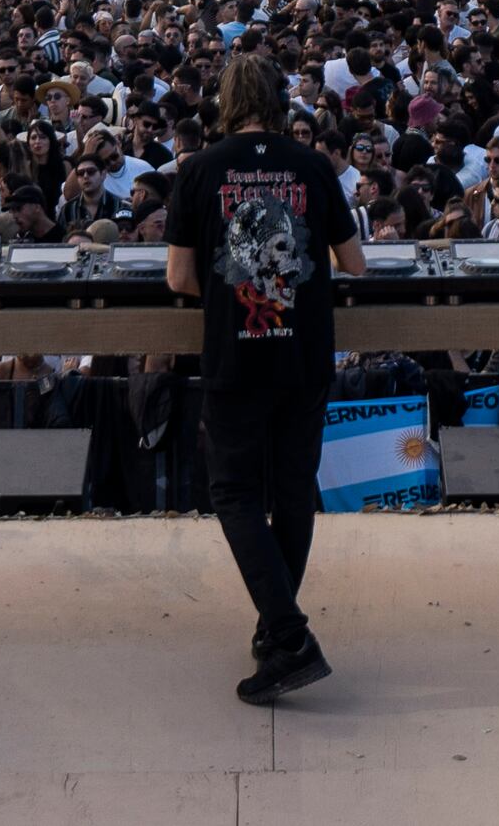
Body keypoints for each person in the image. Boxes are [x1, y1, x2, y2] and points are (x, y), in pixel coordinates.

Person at [162, 49, 364, 706]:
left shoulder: (198, 169)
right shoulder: (311, 164)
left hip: (236, 353)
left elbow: (179, 278)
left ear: (224, 100)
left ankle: (288, 632)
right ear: (279, 99)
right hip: (303, 354)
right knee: (294, 488)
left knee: (234, 490)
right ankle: (278, 634)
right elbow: (354, 262)